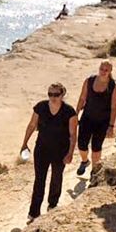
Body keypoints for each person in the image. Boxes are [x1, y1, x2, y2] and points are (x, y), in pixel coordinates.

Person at [20, 82, 77, 220]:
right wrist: (24, 143)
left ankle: (52, 205)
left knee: (56, 178)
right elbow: (32, 125)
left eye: (56, 94)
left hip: (60, 150)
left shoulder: (69, 111)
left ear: (62, 95)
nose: (53, 97)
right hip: (42, 149)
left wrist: (70, 153)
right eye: (50, 94)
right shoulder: (41, 107)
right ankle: (34, 212)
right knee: (39, 180)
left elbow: (73, 134)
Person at [74, 62, 116, 175]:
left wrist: (111, 126)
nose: (103, 71)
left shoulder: (113, 87)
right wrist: (75, 114)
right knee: (81, 145)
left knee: (96, 147)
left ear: (110, 71)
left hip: (103, 122)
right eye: (101, 69)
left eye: (106, 70)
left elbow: (114, 108)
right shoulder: (89, 81)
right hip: (87, 118)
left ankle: (94, 172)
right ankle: (85, 161)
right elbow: (82, 99)